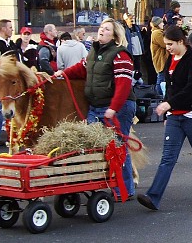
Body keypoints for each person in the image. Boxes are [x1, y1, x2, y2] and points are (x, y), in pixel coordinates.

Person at [135, 25, 192, 211]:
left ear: (181, 42)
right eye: (166, 44)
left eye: (170, 44)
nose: (167, 48)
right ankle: (153, 197)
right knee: (168, 158)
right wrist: (169, 111)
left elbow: (191, 89)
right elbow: (171, 88)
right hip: (176, 116)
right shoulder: (170, 59)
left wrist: (169, 104)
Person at [55, 19, 138, 199]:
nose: (101, 31)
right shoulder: (93, 51)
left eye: (106, 29)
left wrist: (113, 108)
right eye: (101, 28)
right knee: (96, 147)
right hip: (97, 106)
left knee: (117, 147)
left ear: (114, 35)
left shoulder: (120, 55)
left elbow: (123, 85)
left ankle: (124, 189)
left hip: (117, 107)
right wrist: (64, 73)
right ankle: (103, 184)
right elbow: (82, 68)